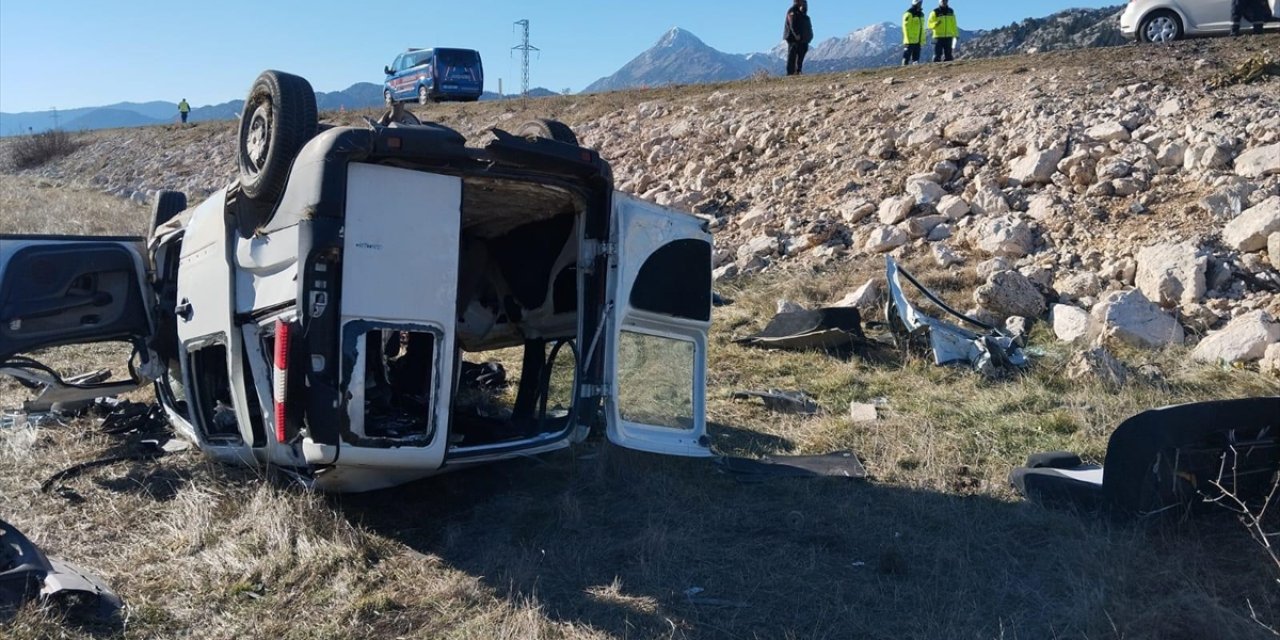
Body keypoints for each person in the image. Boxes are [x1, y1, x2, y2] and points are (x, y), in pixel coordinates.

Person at [784, 0, 813, 76]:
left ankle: (798, 71)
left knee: (800, 55)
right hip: (793, 38)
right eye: (802, 2)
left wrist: (809, 36)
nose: (804, 3)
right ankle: (790, 73)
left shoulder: (803, 13)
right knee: (792, 56)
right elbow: (792, 24)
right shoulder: (792, 11)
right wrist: (796, 35)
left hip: (803, 39)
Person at [902, 0, 926, 66]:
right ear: (915, 3)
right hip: (910, 40)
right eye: (919, 3)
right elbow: (905, 27)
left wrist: (922, 40)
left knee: (916, 60)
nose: (920, 4)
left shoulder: (921, 14)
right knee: (906, 58)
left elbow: (922, 28)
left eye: (921, 2)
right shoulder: (909, 14)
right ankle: (903, 71)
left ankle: (914, 73)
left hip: (918, 41)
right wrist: (907, 39)